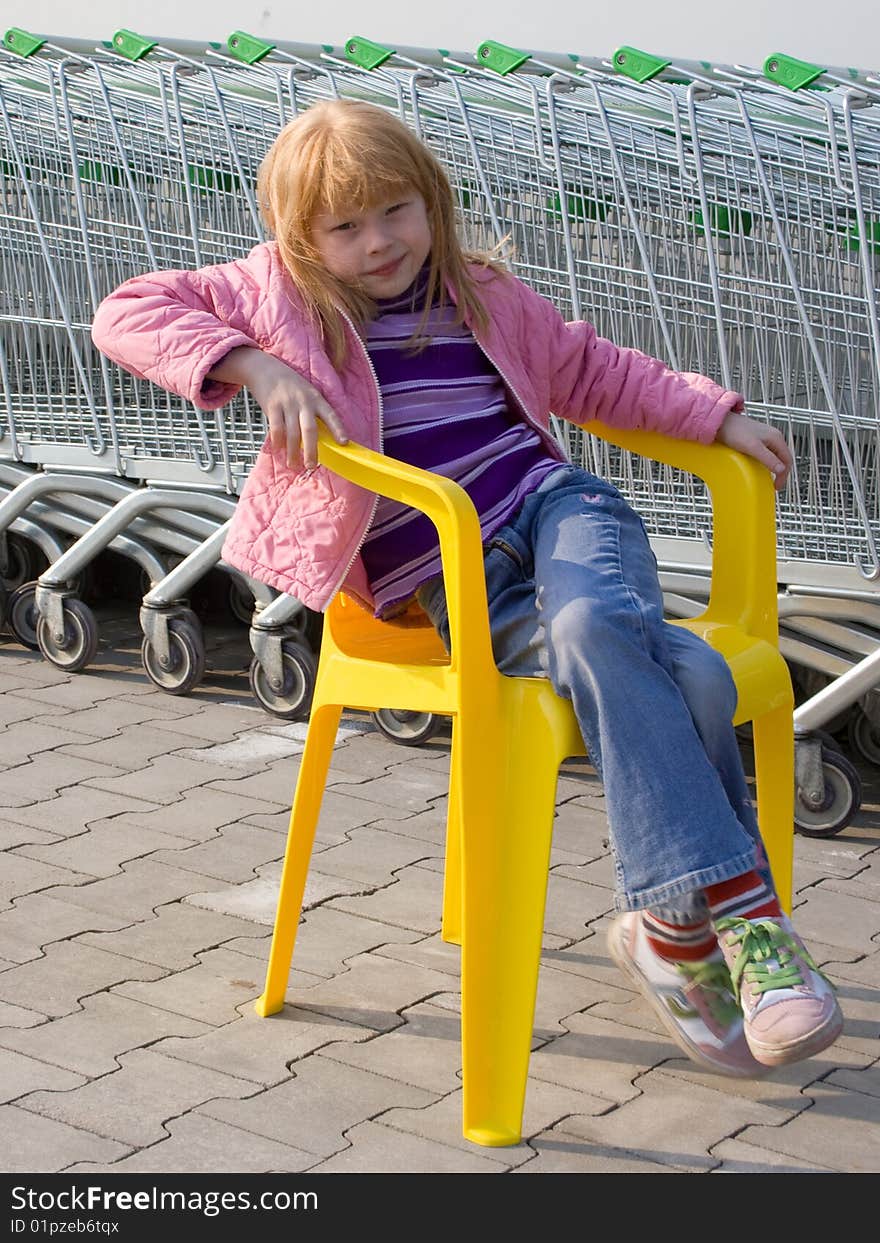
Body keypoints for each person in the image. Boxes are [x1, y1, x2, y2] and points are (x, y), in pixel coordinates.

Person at [91, 97, 843, 1078]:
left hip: (557, 510)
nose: (379, 241)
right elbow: (124, 311)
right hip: (445, 574)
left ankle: (735, 927)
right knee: (689, 676)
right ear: (300, 238)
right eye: (345, 226)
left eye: (396, 211)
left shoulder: (477, 289)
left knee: (597, 619)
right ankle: (674, 929)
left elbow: (588, 368)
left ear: (430, 201)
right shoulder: (276, 296)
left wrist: (709, 417)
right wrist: (256, 368)